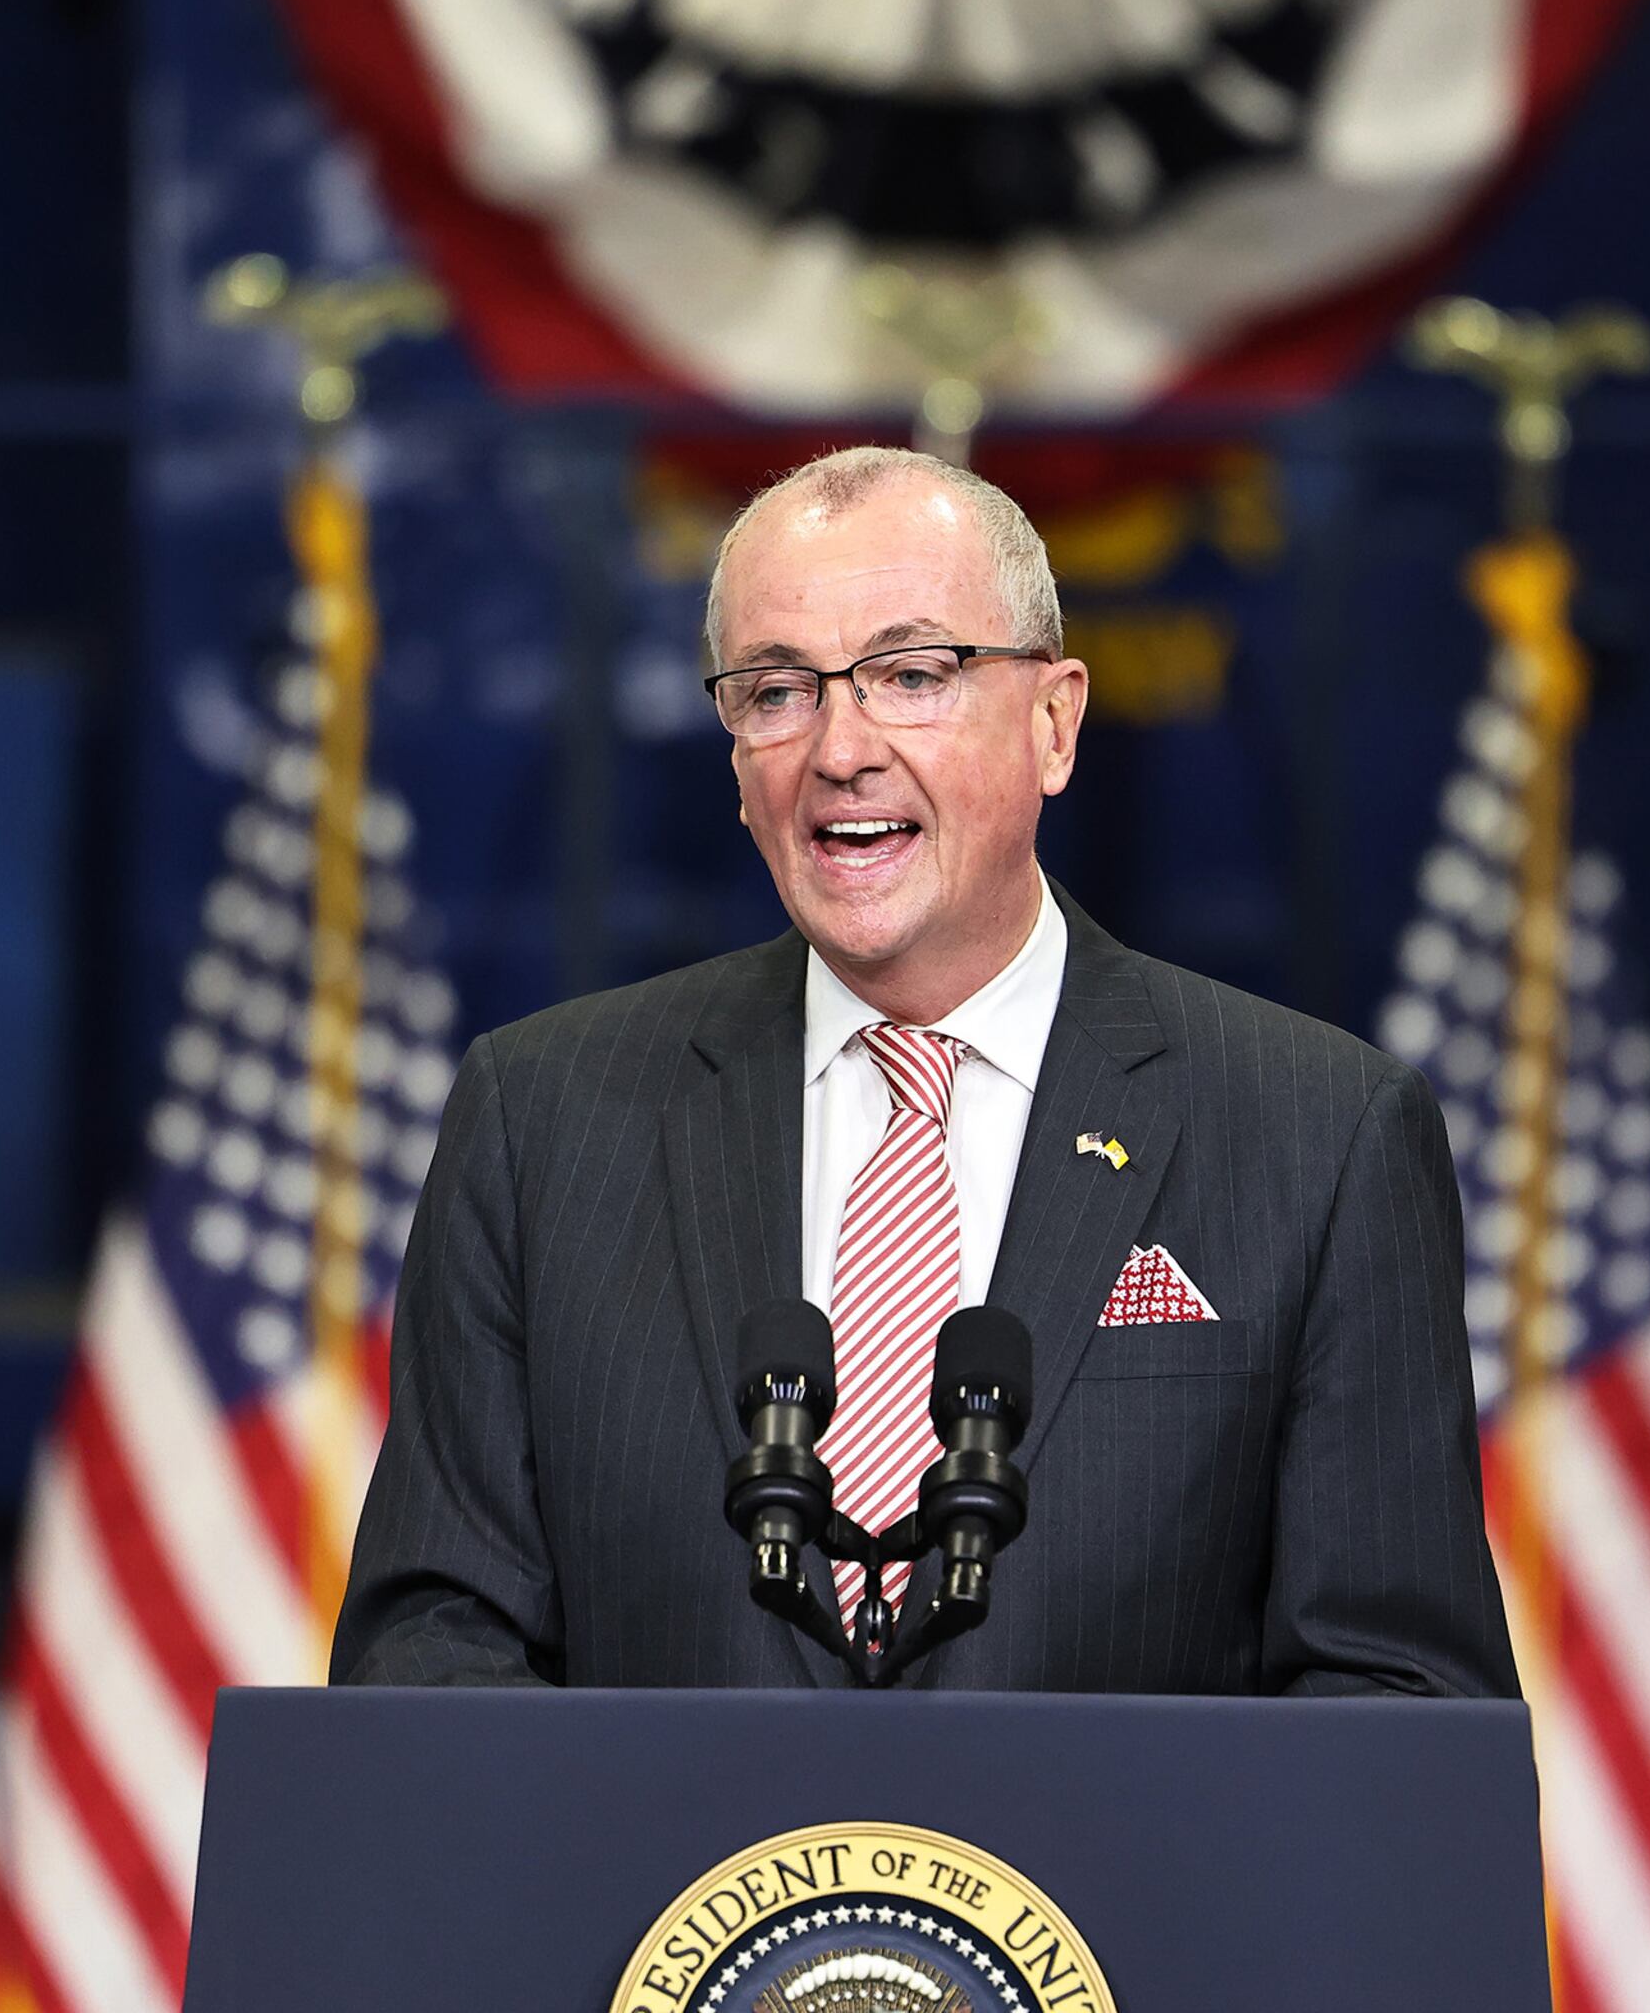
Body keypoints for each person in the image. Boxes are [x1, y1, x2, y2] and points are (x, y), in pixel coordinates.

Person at [329, 445, 1515, 1695]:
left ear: (1054, 722)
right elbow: (434, 1652)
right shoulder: (543, 1122)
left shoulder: (1321, 1138)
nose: (841, 748)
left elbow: (1395, 1705)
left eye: (911, 674)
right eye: (777, 691)